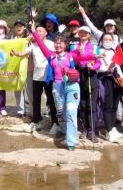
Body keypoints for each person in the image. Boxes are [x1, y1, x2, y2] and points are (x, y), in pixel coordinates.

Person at [31, 22, 94, 151]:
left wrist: (96, 56)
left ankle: (71, 141)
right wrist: (33, 30)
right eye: (56, 42)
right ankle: (64, 130)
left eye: (61, 43)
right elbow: (42, 45)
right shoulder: (51, 55)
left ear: (65, 45)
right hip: (57, 87)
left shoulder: (72, 55)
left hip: (72, 86)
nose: (58, 45)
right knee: (62, 113)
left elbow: (86, 55)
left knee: (71, 111)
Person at [11, 25, 59, 133]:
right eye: (36, 31)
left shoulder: (51, 44)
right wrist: (15, 53)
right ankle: (36, 120)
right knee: (36, 100)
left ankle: (55, 123)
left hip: (48, 77)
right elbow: (23, 53)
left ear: (46, 33)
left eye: (40, 31)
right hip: (36, 76)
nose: (37, 32)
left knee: (51, 100)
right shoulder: (33, 45)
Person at [73, 26, 101, 143]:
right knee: (82, 106)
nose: (83, 34)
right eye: (81, 32)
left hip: (91, 76)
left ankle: (92, 130)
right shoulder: (74, 46)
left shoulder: (95, 47)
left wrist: (92, 66)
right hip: (79, 77)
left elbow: (99, 62)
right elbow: (71, 60)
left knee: (92, 106)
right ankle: (84, 128)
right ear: (78, 34)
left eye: (85, 33)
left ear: (89, 35)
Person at [99, 33, 123, 143]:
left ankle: (113, 127)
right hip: (105, 79)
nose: (107, 41)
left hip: (116, 80)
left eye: (109, 39)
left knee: (114, 105)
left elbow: (118, 66)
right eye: (105, 39)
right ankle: (108, 130)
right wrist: (106, 68)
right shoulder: (98, 51)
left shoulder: (114, 51)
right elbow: (97, 67)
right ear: (101, 40)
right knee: (108, 105)